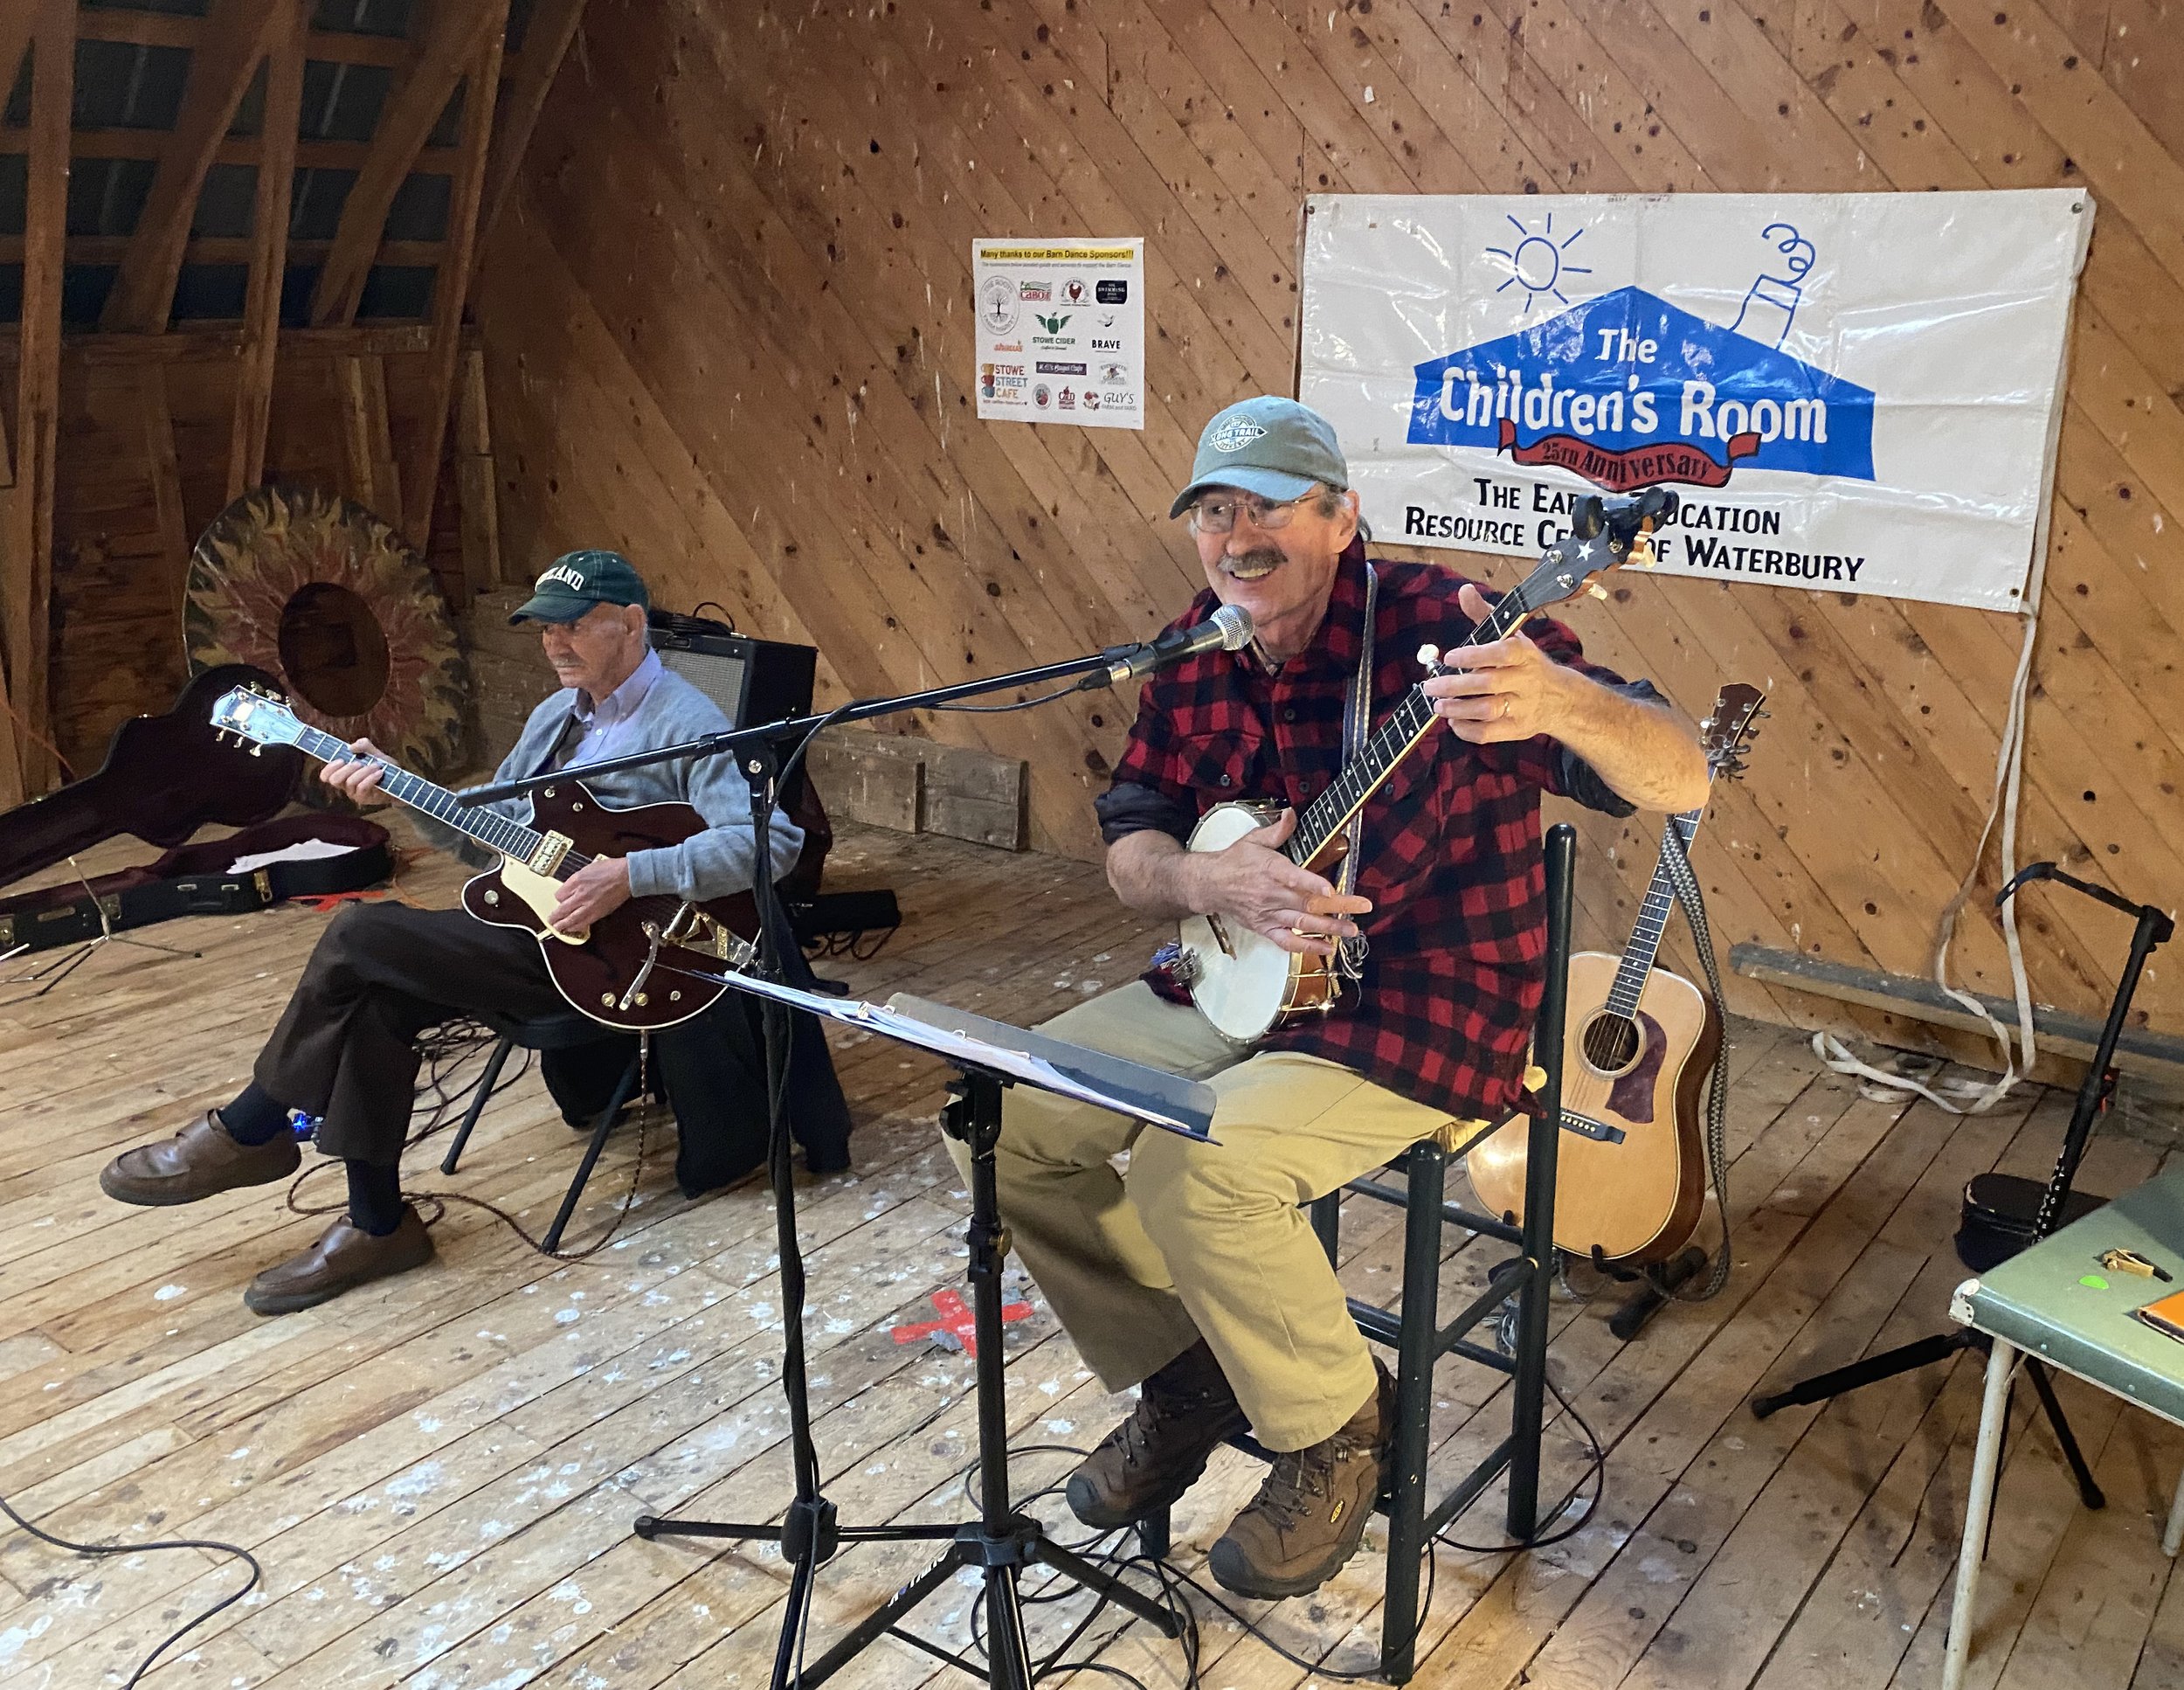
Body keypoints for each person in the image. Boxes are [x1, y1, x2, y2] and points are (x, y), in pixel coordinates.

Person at [966, 398, 1710, 1601]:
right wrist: (1206, 875)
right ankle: (1189, 1367)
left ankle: (1336, 1427)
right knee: (1004, 1117)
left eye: (1269, 505)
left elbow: (1684, 774)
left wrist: (1565, 704)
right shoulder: (1195, 650)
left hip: (1424, 1005)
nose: (1238, 534)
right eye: (1216, 509)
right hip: (1227, 979)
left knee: (1194, 1169)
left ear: (1342, 515)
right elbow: (1126, 850)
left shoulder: (1447, 631)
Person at [99, 551, 811, 1316]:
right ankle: (377, 1224)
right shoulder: (552, 720)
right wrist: (399, 790)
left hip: (614, 958)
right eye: (545, 631)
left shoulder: (687, 721)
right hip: (535, 929)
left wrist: (627, 877)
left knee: (361, 937)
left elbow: (773, 844)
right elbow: (488, 840)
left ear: (632, 625)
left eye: (575, 627)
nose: (556, 645)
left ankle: (252, 1125)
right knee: (377, 998)